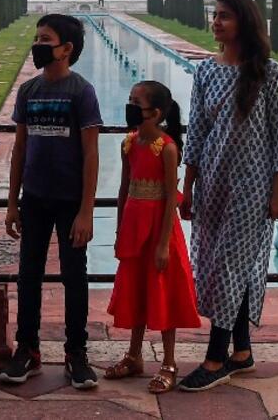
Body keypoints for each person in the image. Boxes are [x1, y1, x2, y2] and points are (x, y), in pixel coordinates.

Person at [177, 0, 278, 393]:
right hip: (213, 182)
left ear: (244, 21)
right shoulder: (205, 72)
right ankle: (242, 351)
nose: (216, 22)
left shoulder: (268, 72)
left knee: (228, 265)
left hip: (252, 186)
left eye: (224, 16)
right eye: (214, 15)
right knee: (217, 264)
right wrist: (187, 186)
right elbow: (197, 133)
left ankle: (215, 358)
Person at [0, 14, 101, 390]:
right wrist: (12, 202)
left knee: (75, 277)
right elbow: (20, 148)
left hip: (71, 200)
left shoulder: (81, 91)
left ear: (66, 48)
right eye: (37, 38)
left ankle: (76, 352)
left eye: (46, 39)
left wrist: (87, 210)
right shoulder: (28, 91)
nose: (38, 45)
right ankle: (28, 348)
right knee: (29, 276)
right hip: (36, 198)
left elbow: (91, 153)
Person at [104, 81, 200, 394]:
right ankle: (134, 355)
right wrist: (119, 230)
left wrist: (162, 245)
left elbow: (172, 196)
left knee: (162, 291)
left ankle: (169, 362)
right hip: (134, 227)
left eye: (136, 102)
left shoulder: (167, 147)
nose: (130, 106)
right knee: (136, 290)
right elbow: (123, 188)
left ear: (156, 113)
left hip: (160, 229)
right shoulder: (129, 143)